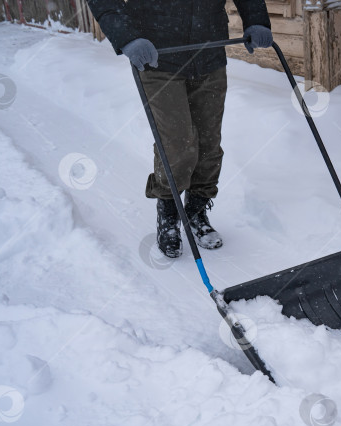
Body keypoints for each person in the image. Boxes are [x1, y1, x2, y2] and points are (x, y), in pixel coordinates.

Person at [88, 1, 273, 258]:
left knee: (209, 144)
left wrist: (256, 20)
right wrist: (128, 38)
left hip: (209, 53)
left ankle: (196, 210)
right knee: (177, 144)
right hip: (157, 57)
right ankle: (169, 212)